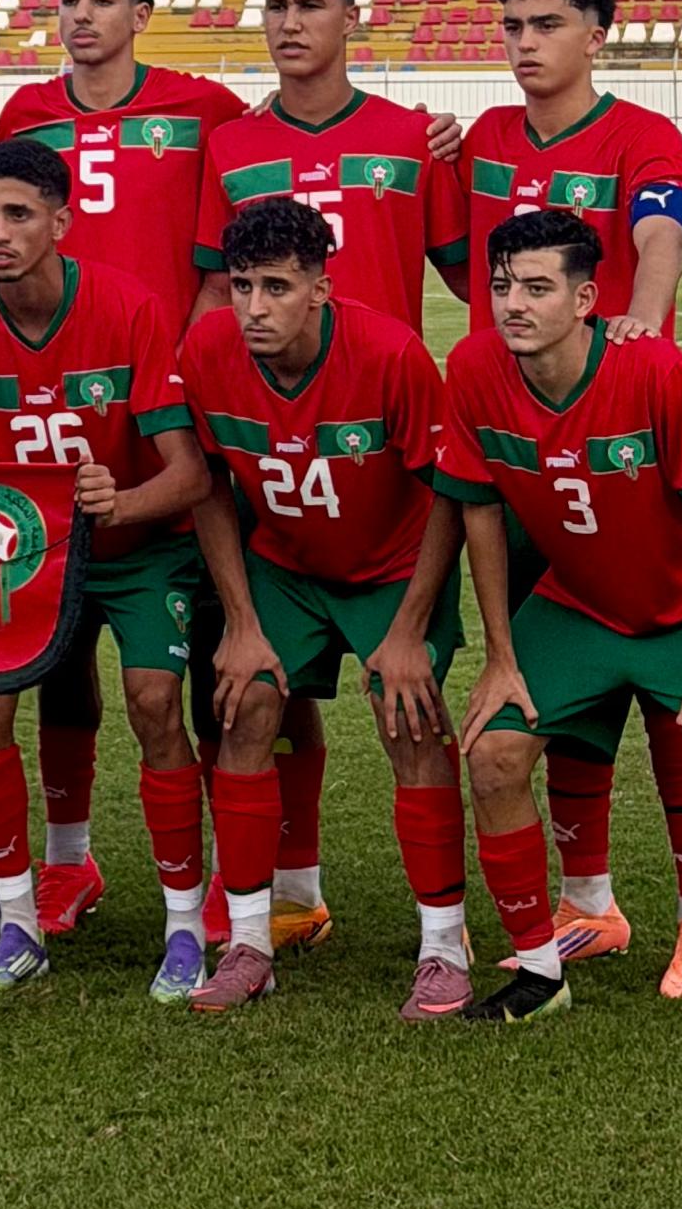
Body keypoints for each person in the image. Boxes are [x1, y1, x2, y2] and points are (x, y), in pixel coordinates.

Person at [0, 138, 213, 999]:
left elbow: (191, 474)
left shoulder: (128, 308)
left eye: (18, 214)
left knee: (155, 702)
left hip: (135, 552)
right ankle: (18, 918)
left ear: (62, 220)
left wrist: (119, 504)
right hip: (22, 555)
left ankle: (184, 923)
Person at [443, 0, 682, 998]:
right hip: (513, 448)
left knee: (664, 683)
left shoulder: (640, 135)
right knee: (554, 694)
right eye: (511, 23)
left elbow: (658, 231)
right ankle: (590, 901)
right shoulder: (481, 139)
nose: (525, 42)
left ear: (596, 32)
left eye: (547, 23)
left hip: (616, 438)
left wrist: (646, 316)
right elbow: (462, 256)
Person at [439, 211, 682, 1047]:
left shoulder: (653, 369)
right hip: (583, 605)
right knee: (490, 756)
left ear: (587, 297)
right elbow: (478, 510)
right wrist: (499, 655)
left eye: (535, 287)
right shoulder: (475, 368)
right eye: (501, 287)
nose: (513, 306)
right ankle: (538, 971)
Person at [187, 0, 471, 950]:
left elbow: (471, 280)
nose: (289, 23)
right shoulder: (229, 144)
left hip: (384, 444)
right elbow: (211, 292)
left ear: (352, 14)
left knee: (408, 710)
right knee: (259, 698)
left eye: (310, 4)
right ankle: (283, 902)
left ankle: (445, 935)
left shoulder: (412, 137)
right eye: (275, 5)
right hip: (276, 464)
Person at [0, 0, 245, 930]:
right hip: (58, 414)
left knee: (200, 658)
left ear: (142, 11)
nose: (82, 15)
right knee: (58, 657)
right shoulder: (23, 116)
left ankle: (235, 869)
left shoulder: (202, 109)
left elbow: (230, 237)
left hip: (164, 406)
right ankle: (69, 860)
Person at [180, 199, 470, 1019]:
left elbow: (448, 494)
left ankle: (445, 950)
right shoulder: (208, 350)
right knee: (242, 709)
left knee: (408, 720)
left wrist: (410, 630)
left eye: (277, 287)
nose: (255, 308)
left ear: (321, 288)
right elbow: (208, 485)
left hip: (391, 568)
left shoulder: (390, 355)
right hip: (286, 565)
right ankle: (249, 944)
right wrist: (239, 622)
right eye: (241, 286)